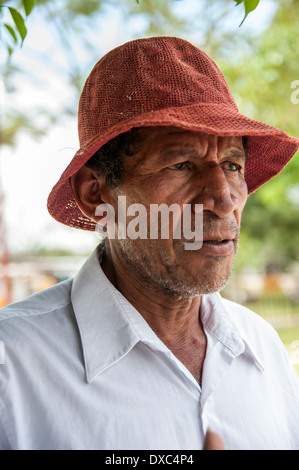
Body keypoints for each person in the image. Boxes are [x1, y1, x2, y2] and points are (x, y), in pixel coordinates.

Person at [0, 36, 299, 451]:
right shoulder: (12, 366)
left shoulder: (261, 347)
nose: (224, 198)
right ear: (96, 194)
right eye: (181, 165)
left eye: (232, 165)